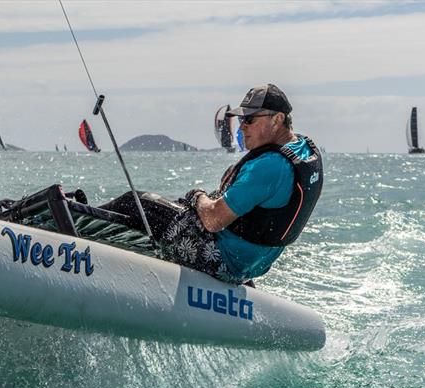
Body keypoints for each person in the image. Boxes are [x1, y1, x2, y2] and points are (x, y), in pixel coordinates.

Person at [101, 83, 323, 284]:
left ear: (278, 119)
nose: (242, 126)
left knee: (136, 203)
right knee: (165, 210)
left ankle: (71, 231)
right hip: (253, 265)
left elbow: (213, 220)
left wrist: (197, 196)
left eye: (250, 120)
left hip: (221, 259)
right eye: (242, 119)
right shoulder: (303, 150)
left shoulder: (271, 166)